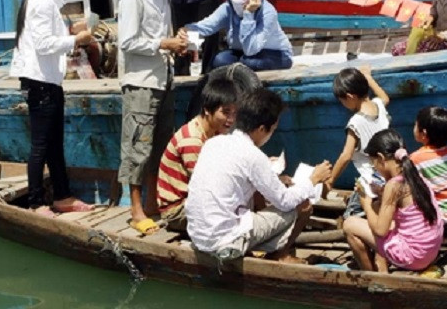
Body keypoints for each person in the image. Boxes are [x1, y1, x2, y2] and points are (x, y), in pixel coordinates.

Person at [186, 88, 332, 263]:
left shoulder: (214, 143)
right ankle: (281, 255)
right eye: (273, 130)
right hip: (224, 241)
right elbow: (284, 201)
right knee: (301, 205)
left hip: (198, 236)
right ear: (262, 129)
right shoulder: (253, 156)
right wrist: (313, 179)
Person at [10, 0, 95, 217]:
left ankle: (62, 195)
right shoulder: (41, 1)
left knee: (54, 142)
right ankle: (35, 202)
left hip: (48, 80)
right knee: (41, 145)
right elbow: (44, 44)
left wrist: (72, 31)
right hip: (40, 81)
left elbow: (49, 36)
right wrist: (76, 41)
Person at [118, 0, 195, 234]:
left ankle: (152, 203)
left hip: (163, 78)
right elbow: (127, 42)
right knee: (138, 145)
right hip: (141, 81)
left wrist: (176, 40)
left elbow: (160, 37)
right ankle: (136, 209)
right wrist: (164, 44)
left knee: (160, 146)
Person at [342, 129, 443, 273]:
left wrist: (366, 204)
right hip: (429, 252)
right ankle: (381, 264)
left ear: (381, 158)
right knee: (386, 218)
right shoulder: (415, 175)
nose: (375, 168)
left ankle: (370, 276)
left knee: (350, 224)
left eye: (374, 164)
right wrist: (381, 195)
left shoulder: (393, 186)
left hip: (413, 257)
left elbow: (380, 231)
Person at [156, 78, 239, 230]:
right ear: (207, 109)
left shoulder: (213, 131)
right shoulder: (192, 140)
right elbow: (208, 184)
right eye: (226, 112)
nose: (231, 119)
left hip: (195, 201)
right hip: (177, 211)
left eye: (234, 113)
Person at [185, 0, 292, 71]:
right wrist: (186, 30)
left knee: (251, 63)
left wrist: (248, 14)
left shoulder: (268, 12)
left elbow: (251, 49)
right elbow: (208, 26)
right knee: (220, 60)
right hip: (242, 54)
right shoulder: (227, 8)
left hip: (275, 54)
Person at [326, 66, 391, 218]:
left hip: (370, 180)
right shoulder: (378, 106)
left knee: (350, 216)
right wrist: (369, 77)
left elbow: (346, 156)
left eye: (342, 100)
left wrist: (330, 181)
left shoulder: (356, 123)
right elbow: (385, 98)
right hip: (387, 173)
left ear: (349, 97)